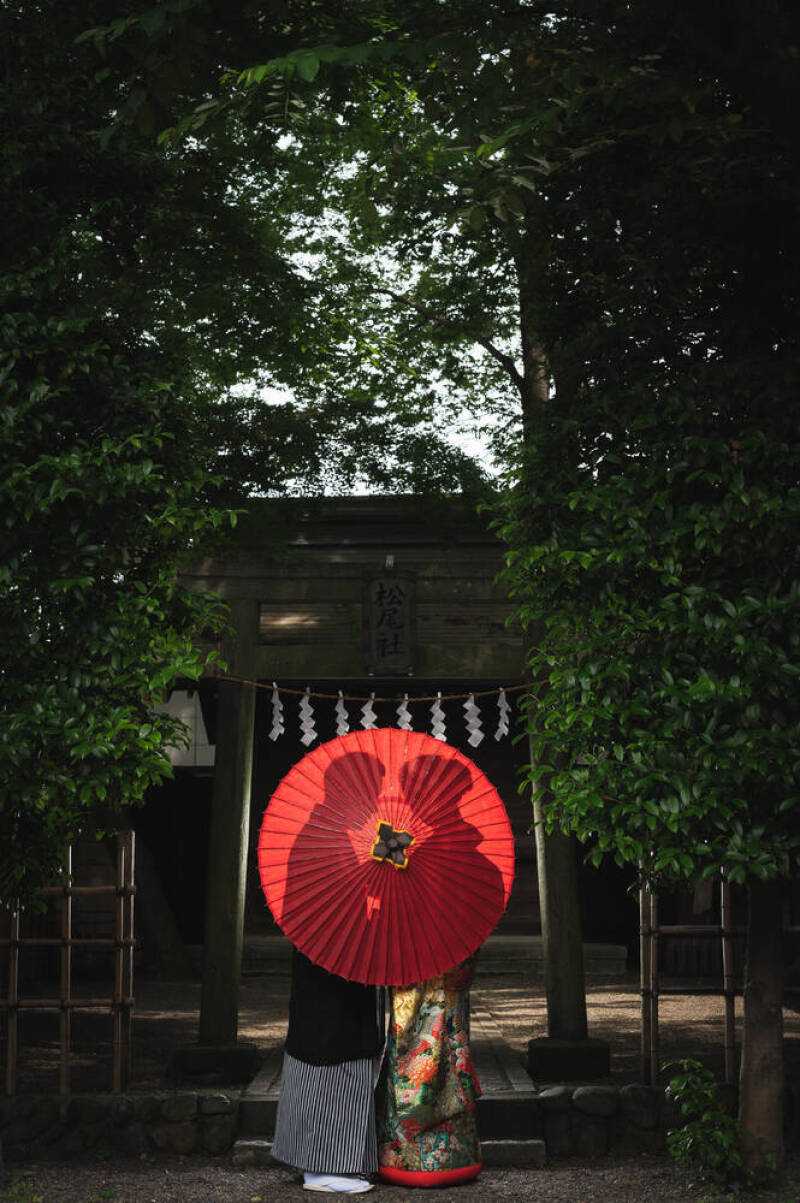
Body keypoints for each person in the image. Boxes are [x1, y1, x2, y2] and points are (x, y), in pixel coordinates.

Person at [271, 947, 383, 1194]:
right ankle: (323, 1169)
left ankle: (334, 1164)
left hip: (338, 966)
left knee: (337, 1049)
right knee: (332, 1051)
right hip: (331, 970)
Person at [376, 956, 482, 1187]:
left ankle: (401, 1159)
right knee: (444, 1058)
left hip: (413, 974)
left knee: (412, 1055)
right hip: (446, 986)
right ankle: (451, 1160)